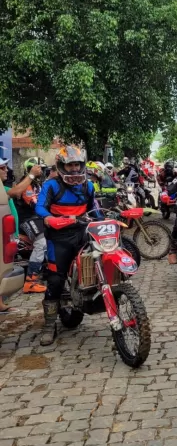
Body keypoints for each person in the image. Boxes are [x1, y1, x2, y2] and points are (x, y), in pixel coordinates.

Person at [35, 146, 101, 346]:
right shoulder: (51, 186)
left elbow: (94, 207)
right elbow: (39, 207)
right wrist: (48, 219)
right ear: (62, 166)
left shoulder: (88, 186)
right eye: (70, 165)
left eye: (77, 165)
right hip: (59, 236)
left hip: (82, 231)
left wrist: (104, 219)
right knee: (55, 280)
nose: (74, 169)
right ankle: (49, 325)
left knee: (101, 258)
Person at [13, 158, 48, 293]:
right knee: (42, 243)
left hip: (38, 218)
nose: (42, 172)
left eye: (43, 169)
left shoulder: (38, 184)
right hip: (27, 220)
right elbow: (35, 204)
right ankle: (30, 281)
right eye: (39, 169)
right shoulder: (26, 184)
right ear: (29, 170)